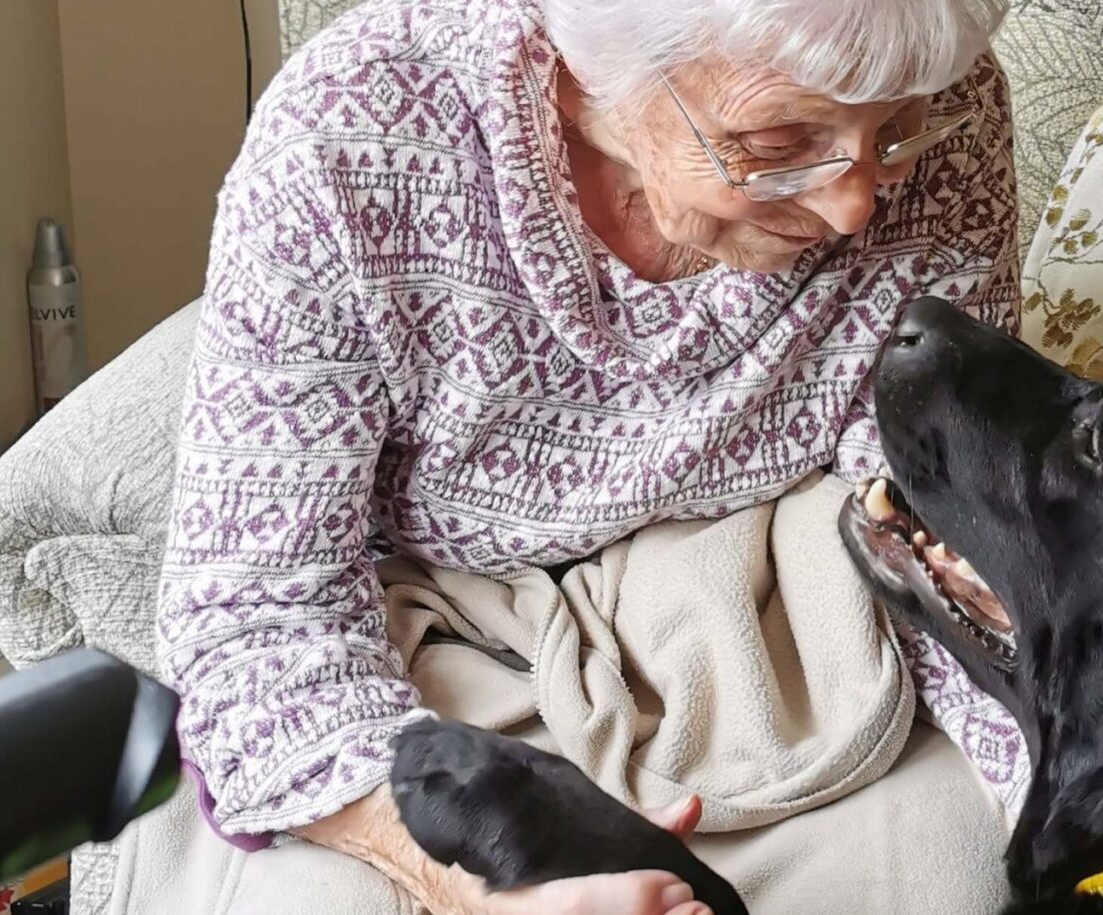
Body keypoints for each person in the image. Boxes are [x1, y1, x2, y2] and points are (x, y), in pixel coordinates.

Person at [154, 0, 1018, 911]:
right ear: (586, 76)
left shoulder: (935, 102)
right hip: (435, 653)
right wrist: (481, 887)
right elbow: (254, 619)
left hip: (787, 633)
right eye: (778, 139)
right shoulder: (350, 133)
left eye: (897, 127)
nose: (857, 204)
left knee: (958, 868)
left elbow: (937, 510)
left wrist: (1055, 776)